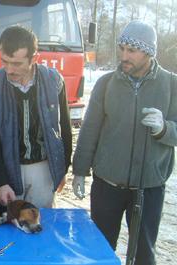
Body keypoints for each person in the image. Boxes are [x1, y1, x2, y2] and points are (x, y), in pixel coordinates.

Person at [72, 20, 177, 265]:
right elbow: (90, 130)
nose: (124, 56)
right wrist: (79, 170)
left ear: (149, 51)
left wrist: (164, 129)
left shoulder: (172, 85)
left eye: (132, 50)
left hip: (149, 186)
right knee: (99, 250)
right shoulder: (106, 83)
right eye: (122, 48)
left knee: (143, 253)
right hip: (107, 184)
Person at [0, 25, 72, 208]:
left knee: (38, 223)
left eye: (17, 64)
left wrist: (62, 169)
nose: (9, 70)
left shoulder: (54, 81)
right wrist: (0, 182)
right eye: (4, 61)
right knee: (7, 227)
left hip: (43, 170)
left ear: (34, 58)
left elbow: (64, 129)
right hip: (6, 169)